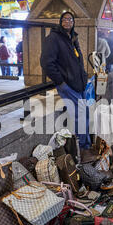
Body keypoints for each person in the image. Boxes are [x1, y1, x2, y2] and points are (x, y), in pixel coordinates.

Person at [40, 11, 92, 151]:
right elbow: (46, 62)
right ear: (60, 22)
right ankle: (82, 148)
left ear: (73, 22)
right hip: (68, 84)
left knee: (84, 114)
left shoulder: (73, 38)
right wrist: (60, 81)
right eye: (64, 19)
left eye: (70, 19)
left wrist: (84, 75)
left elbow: (77, 61)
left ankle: (86, 145)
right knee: (79, 116)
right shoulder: (54, 38)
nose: (67, 22)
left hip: (79, 84)